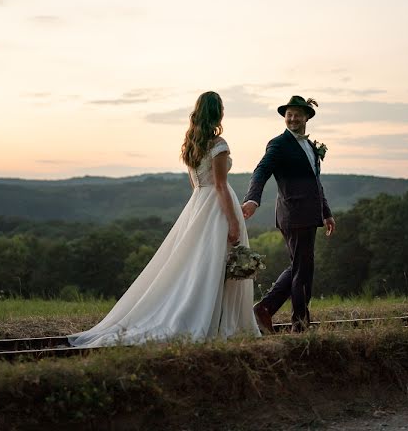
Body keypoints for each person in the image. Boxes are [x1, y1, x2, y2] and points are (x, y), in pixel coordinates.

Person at [68, 91, 261, 347]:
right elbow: (220, 186)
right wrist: (234, 222)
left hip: (197, 205)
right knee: (219, 266)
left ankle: (215, 319)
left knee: (201, 267)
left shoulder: (192, 143)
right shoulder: (218, 145)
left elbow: (196, 185)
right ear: (218, 113)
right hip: (216, 208)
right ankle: (219, 323)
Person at [242, 95, 336, 333]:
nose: (292, 119)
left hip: (310, 214)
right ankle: (299, 323)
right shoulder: (278, 144)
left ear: (307, 117)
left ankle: (266, 309)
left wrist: (326, 212)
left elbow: (316, 182)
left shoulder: (310, 146)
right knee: (303, 268)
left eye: (297, 114)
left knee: (301, 266)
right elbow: (261, 170)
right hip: (293, 214)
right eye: (289, 115)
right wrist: (253, 198)